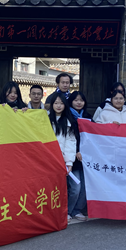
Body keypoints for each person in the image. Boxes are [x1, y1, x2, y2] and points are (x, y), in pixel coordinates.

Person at [48, 93, 78, 222]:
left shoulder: (69, 121)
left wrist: (69, 162)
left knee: (68, 188)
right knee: (52, 189)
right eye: (56, 103)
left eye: (61, 103)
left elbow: (70, 143)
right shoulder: (45, 119)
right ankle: (52, 214)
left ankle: (65, 213)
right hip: (49, 161)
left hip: (63, 161)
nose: (58, 106)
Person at [67, 91, 91, 221]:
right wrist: (75, 151)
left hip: (86, 159)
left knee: (86, 188)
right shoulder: (67, 116)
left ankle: (77, 210)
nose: (79, 102)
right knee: (76, 187)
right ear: (71, 101)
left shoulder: (88, 117)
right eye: (76, 100)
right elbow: (67, 138)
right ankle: (68, 211)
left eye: (81, 100)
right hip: (72, 158)